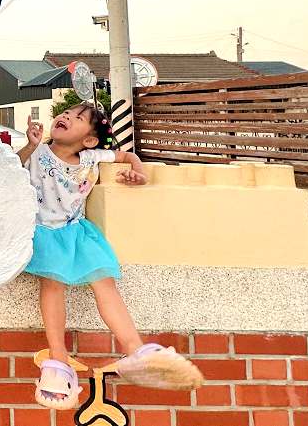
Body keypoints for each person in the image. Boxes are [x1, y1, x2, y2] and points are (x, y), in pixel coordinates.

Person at [18, 104, 202, 410]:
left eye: (77, 118)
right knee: (52, 284)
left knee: (105, 283)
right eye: (65, 114)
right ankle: (58, 360)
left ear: (89, 141)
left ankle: (137, 351)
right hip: (43, 233)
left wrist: (138, 171)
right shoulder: (38, 152)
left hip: (76, 232)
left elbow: (128, 156)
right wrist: (30, 144)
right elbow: (12, 166)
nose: (65, 117)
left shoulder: (92, 157)